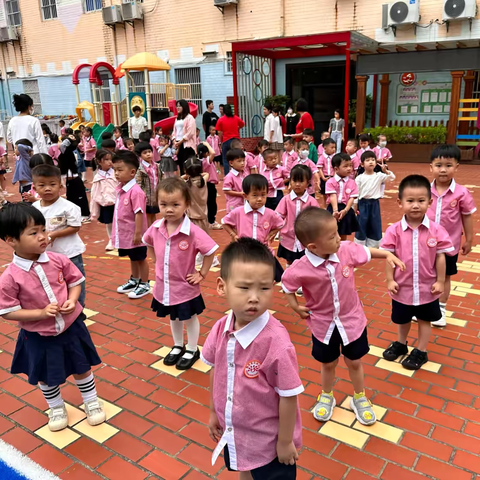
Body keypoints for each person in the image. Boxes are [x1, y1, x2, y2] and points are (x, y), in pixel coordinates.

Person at [282, 207, 404, 424]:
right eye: (332, 237)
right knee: (328, 363)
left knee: (354, 361)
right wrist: (295, 307)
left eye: (337, 233)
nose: (339, 239)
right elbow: (287, 285)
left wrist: (387, 253)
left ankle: (359, 396)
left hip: (352, 321)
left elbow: (367, 252)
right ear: (313, 246)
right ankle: (326, 394)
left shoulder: (346, 250)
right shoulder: (300, 268)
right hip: (323, 325)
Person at [203, 238, 303, 479]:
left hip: (269, 442)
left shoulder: (275, 341)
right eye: (245, 287)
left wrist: (285, 441)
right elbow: (215, 370)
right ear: (222, 286)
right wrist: (213, 411)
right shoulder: (220, 329)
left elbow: (289, 396)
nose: (255, 297)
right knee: (243, 468)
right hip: (236, 432)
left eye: (264, 288)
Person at [0, 203, 105, 432]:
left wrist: (73, 299)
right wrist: (39, 313)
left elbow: (75, 281)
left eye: (43, 230)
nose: (42, 237)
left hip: (71, 327)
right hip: (39, 335)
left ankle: (91, 401)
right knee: (45, 375)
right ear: (11, 240)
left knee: (82, 365)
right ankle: (56, 407)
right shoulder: (10, 277)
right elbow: (7, 311)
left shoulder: (58, 260)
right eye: (33, 233)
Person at [143, 177, 218, 370]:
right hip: (164, 285)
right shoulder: (156, 228)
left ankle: (192, 349)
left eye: (175, 204)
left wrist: (202, 273)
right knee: (173, 316)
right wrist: (155, 260)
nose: (169, 209)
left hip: (185, 286)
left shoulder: (192, 231)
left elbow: (210, 251)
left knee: (189, 317)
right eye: (164, 204)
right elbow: (148, 242)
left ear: (186, 204)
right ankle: (177, 345)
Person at [381, 175, 454, 370]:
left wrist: (440, 281)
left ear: (429, 202)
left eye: (421, 201)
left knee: (424, 320)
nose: (415, 206)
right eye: (410, 201)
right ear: (400, 202)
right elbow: (389, 257)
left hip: (427, 288)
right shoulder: (394, 231)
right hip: (402, 287)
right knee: (402, 318)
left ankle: (421, 351)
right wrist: (389, 280)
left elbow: (440, 257)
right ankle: (401, 343)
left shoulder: (436, 231)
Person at [427, 145, 476, 326]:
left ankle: (440, 309)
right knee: (425, 275)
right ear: (430, 167)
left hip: (449, 245)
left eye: (448, 165)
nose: (443, 170)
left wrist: (469, 239)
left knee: (444, 276)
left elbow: (467, 216)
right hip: (425, 244)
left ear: (456, 167)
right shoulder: (425, 190)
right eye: (438, 165)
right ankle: (425, 307)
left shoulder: (461, 192)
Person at [31, 164, 87, 307]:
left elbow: (75, 227)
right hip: (47, 254)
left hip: (69, 253)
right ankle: (59, 305)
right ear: (34, 187)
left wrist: (54, 234)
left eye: (52, 184)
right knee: (53, 281)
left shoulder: (69, 207)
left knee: (75, 281)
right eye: (42, 185)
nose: (47, 188)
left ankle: (78, 308)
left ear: (61, 186)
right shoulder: (34, 208)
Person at [112, 151, 150, 299]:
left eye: (120, 170)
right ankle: (134, 279)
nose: (116, 173)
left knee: (140, 258)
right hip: (126, 234)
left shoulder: (136, 192)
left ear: (132, 172)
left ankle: (145, 283)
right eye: (115, 170)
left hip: (135, 234)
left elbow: (139, 213)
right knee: (132, 258)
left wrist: (138, 233)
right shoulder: (122, 189)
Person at [276, 165, 319, 266]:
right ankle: (289, 278)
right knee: (289, 261)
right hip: (288, 238)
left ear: (308, 183)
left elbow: (317, 219)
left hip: (305, 239)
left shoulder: (311, 201)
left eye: (301, 181)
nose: (297, 184)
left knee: (305, 261)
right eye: (294, 181)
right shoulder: (285, 200)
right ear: (290, 181)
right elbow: (278, 217)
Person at [354, 151, 395, 248]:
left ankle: (374, 246)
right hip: (363, 203)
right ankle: (360, 245)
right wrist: (355, 205)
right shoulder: (359, 178)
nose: (371, 162)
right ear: (362, 164)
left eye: (373, 160)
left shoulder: (379, 176)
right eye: (367, 160)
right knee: (361, 223)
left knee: (374, 223)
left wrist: (386, 171)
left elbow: (392, 178)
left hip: (374, 203)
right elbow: (356, 193)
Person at [57, 132, 90, 220]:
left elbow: (63, 145)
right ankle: (74, 214)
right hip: (69, 179)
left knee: (80, 198)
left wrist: (69, 139)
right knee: (71, 198)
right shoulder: (65, 152)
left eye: (72, 137)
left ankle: (84, 215)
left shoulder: (71, 151)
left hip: (75, 179)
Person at [325, 153, 359, 240]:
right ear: (336, 169)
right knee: (331, 232)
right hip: (333, 209)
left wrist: (345, 210)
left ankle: (343, 251)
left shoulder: (352, 182)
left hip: (346, 209)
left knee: (343, 233)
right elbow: (333, 196)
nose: (349, 168)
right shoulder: (330, 182)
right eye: (345, 166)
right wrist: (335, 211)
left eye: (350, 166)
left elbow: (352, 198)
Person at [90, 149, 118, 251]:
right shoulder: (98, 177)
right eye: (106, 160)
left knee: (121, 221)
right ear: (99, 161)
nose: (110, 162)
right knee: (109, 222)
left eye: (111, 159)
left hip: (118, 202)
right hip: (106, 204)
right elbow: (94, 194)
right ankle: (111, 239)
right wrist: (94, 211)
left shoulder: (116, 173)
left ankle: (121, 239)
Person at [135, 142, 163, 226]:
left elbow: (160, 179)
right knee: (147, 216)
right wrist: (141, 195)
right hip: (145, 197)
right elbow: (138, 183)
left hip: (155, 196)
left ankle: (153, 231)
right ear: (140, 155)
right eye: (145, 153)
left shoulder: (157, 166)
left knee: (153, 214)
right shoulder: (140, 169)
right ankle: (148, 233)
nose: (148, 154)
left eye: (149, 152)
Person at [197, 143, 222, 230]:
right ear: (206, 153)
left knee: (206, 203)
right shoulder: (206, 161)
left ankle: (207, 220)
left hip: (204, 184)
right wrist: (207, 144)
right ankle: (211, 221)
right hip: (209, 184)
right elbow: (213, 153)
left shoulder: (198, 161)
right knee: (212, 204)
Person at [215, 104, 245, 175]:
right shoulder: (236, 118)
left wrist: (220, 141)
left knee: (225, 160)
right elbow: (242, 124)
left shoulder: (221, 119)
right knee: (237, 158)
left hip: (226, 140)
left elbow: (219, 132)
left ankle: (227, 176)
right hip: (236, 141)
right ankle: (238, 173)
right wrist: (237, 128)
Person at [183, 157, 210, 234]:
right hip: (204, 216)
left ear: (186, 171)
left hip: (192, 218)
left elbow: (177, 179)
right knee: (204, 240)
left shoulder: (186, 184)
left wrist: (186, 175)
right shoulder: (203, 181)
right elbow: (207, 174)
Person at [173, 99, 197, 176]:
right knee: (181, 164)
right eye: (177, 106)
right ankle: (183, 182)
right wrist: (174, 140)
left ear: (184, 107)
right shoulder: (177, 118)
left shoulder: (190, 118)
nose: (178, 107)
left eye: (180, 106)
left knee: (188, 164)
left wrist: (180, 141)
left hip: (187, 145)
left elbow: (190, 132)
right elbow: (174, 131)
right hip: (178, 144)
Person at [223, 148, 246, 212]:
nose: (242, 163)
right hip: (234, 204)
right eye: (239, 161)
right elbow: (226, 190)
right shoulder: (229, 176)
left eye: (243, 160)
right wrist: (240, 194)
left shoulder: (244, 173)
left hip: (244, 203)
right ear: (231, 163)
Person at [318, 138, 336, 205]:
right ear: (325, 148)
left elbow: (336, 168)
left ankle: (332, 203)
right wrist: (323, 178)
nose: (334, 149)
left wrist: (334, 176)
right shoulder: (322, 157)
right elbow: (320, 168)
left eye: (334, 147)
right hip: (324, 176)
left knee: (332, 191)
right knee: (324, 192)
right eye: (332, 147)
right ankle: (325, 204)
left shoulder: (335, 157)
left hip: (333, 176)